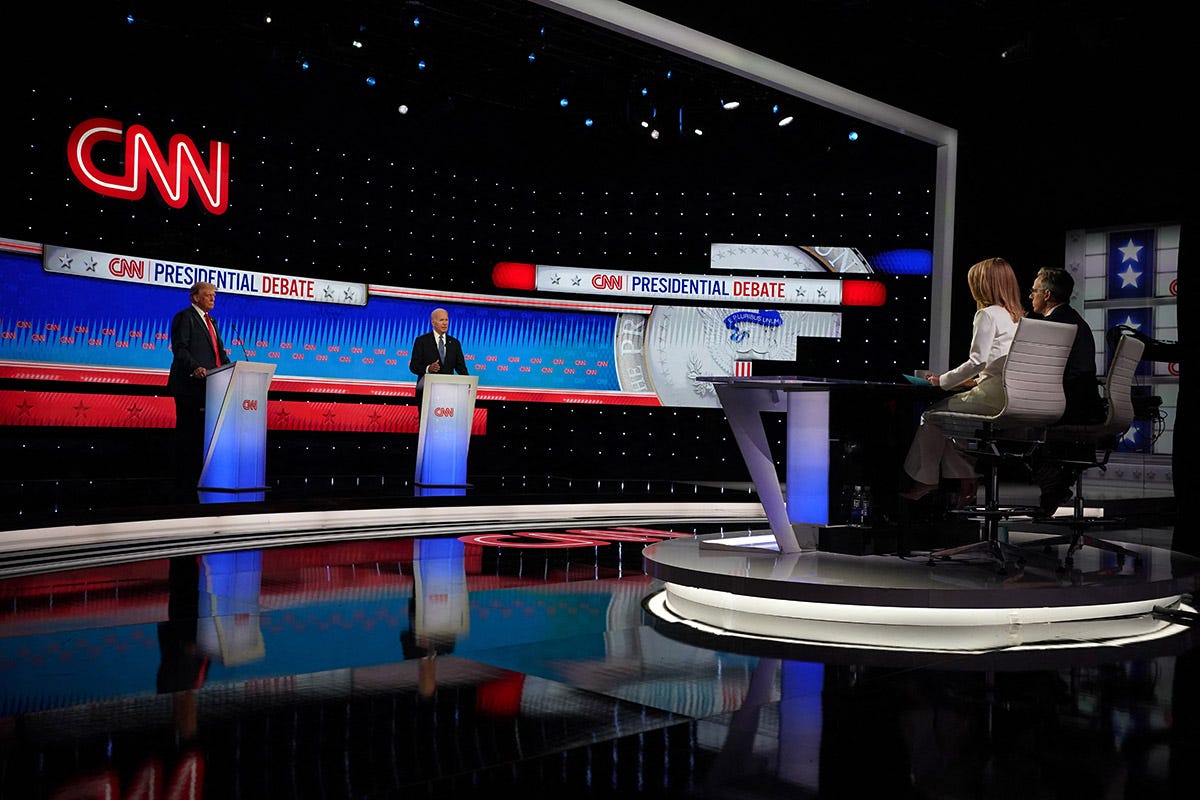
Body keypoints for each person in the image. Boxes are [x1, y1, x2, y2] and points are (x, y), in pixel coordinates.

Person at [900, 257, 1027, 503]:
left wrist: (941, 381)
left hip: (994, 398)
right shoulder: (1019, 318)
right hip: (1016, 397)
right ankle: (965, 477)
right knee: (947, 422)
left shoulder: (988, 314)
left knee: (931, 417)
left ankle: (925, 480)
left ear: (982, 285)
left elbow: (977, 361)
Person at [1027, 266, 1105, 514]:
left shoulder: (1052, 325)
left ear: (1047, 295)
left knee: (1007, 427)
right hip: (1087, 409)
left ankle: (1053, 482)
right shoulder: (1076, 321)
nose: (1030, 296)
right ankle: (1058, 481)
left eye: (1034, 291)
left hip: (1067, 411)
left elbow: (1038, 373)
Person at [168, 281, 231, 494]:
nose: (213, 298)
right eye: (208, 295)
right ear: (195, 297)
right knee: (189, 435)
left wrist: (233, 369)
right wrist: (195, 367)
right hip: (189, 385)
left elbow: (218, 354)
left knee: (202, 436)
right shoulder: (185, 317)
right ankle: (183, 484)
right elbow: (180, 348)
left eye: (214, 295)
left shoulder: (211, 321)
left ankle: (201, 478)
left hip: (210, 387)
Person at [408, 307, 468, 409]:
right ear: (433, 322)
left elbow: (461, 368)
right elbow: (413, 366)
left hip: (449, 394)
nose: (445, 323)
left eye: (446, 320)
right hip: (427, 392)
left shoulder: (455, 343)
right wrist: (428, 368)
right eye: (441, 320)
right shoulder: (421, 341)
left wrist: (468, 385)